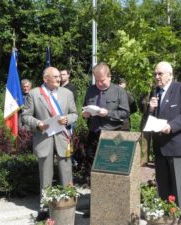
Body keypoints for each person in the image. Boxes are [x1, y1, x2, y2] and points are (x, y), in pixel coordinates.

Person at [21, 67, 78, 218]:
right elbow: (25, 116)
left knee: (66, 173)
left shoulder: (67, 93)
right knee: (45, 175)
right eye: (55, 77)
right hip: (43, 138)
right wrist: (38, 123)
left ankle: (68, 204)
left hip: (62, 138)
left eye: (59, 76)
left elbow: (74, 114)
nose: (59, 79)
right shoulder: (34, 94)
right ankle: (45, 208)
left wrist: (67, 119)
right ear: (45, 79)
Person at [148, 61, 181, 225]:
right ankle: (167, 217)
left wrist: (171, 126)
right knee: (163, 187)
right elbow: (147, 120)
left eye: (160, 74)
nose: (156, 77)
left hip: (177, 147)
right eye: (155, 74)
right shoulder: (154, 92)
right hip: (160, 147)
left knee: (178, 187)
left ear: (170, 74)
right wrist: (150, 109)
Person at [82, 63, 130, 166]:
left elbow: (125, 113)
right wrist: (85, 114)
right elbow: (84, 107)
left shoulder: (119, 91)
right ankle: (94, 181)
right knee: (91, 158)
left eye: (102, 80)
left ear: (109, 76)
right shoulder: (90, 90)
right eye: (97, 80)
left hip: (113, 133)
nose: (99, 83)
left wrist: (108, 113)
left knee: (112, 163)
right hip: (94, 132)